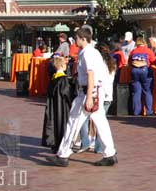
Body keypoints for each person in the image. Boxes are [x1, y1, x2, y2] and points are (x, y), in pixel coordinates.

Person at [46, 27, 118, 167]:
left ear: (83, 39)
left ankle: (63, 154)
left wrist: (90, 96)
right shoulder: (90, 52)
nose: (75, 40)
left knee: (73, 121)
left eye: (77, 38)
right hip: (93, 91)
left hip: (88, 92)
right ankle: (110, 153)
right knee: (101, 123)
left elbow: (91, 74)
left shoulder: (88, 53)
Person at [76, 44, 117, 154]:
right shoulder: (112, 65)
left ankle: (85, 141)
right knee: (101, 122)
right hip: (108, 95)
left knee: (83, 118)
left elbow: (93, 78)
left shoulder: (97, 64)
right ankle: (99, 147)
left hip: (98, 93)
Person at [42, 56, 75, 153]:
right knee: (62, 125)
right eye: (65, 64)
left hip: (53, 107)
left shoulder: (53, 78)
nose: (66, 66)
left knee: (54, 124)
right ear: (61, 65)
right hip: (62, 107)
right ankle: (62, 146)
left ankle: (54, 145)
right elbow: (67, 94)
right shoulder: (63, 80)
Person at [128, 37, 156, 116]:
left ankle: (136, 111)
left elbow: (129, 62)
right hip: (145, 71)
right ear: (144, 42)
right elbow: (154, 61)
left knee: (136, 92)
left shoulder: (133, 51)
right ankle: (149, 111)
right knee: (147, 91)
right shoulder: (148, 51)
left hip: (134, 71)